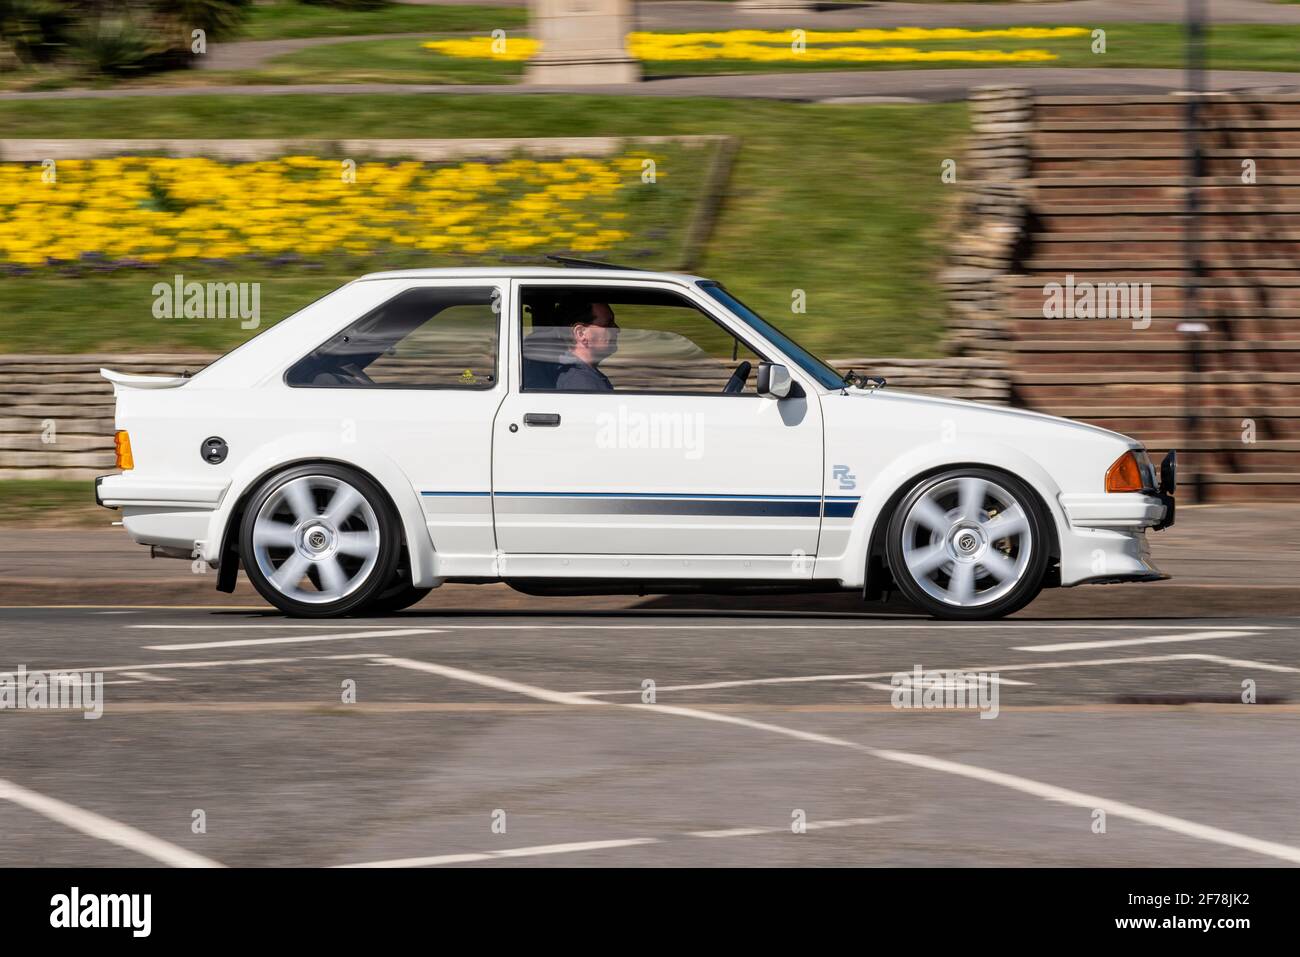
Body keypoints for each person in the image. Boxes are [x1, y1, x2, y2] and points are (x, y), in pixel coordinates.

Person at [553, 300, 619, 392]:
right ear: (581, 333)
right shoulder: (581, 383)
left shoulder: (580, 376)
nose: (617, 329)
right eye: (608, 325)